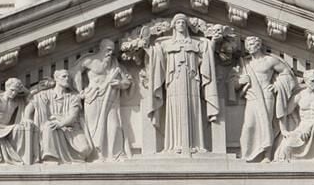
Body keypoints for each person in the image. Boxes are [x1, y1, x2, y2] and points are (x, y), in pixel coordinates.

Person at [147, 14, 220, 154]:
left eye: (183, 22)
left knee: (193, 109)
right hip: (173, 83)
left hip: (193, 83)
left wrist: (214, 42)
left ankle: (196, 144)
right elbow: (157, 59)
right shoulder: (166, 44)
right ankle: (173, 145)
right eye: (178, 22)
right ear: (174, 26)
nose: (181, 24)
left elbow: (206, 56)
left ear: (186, 26)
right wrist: (147, 46)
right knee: (174, 110)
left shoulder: (196, 43)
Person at [233, 36, 297, 162]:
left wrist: (277, 85)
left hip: (267, 95)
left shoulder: (270, 60)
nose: (249, 47)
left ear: (259, 45)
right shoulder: (245, 63)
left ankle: (267, 155)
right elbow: (233, 81)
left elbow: (287, 74)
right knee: (249, 126)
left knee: (266, 124)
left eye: (252, 44)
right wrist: (240, 81)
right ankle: (246, 154)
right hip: (252, 96)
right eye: (247, 45)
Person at [75, 39, 133, 160]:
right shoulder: (90, 60)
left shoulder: (115, 64)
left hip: (111, 100)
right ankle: (97, 155)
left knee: (115, 125)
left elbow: (127, 82)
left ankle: (114, 154)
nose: (110, 53)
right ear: (101, 48)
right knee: (93, 128)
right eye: (108, 50)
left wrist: (120, 83)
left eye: (112, 50)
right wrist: (80, 91)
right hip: (93, 98)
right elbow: (75, 73)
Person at [24, 70, 93, 163]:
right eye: (64, 76)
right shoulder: (44, 94)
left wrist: (60, 124)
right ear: (56, 78)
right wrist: (27, 119)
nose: (67, 79)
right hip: (52, 127)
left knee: (85, 150)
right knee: (48, 127)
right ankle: (50, 158)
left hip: (71, 128)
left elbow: (73, 116)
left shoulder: (73, 97)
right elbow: (30, 107)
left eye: (68, 77)